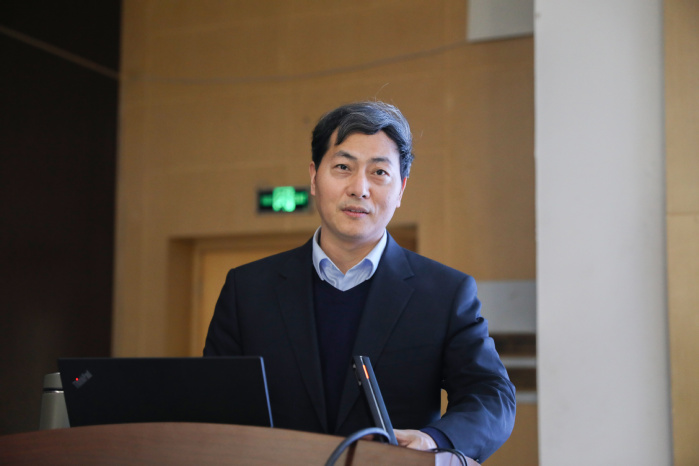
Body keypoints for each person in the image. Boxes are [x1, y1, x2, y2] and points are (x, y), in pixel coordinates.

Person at [203, 101, 516, 462]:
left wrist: (434, 438)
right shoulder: (247, 289)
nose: (359, 188)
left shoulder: (445, 293)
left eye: (379, 172)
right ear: (314, 177)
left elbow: (492, 396)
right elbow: (213, 403)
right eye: (343, 167)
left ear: (401, 189)